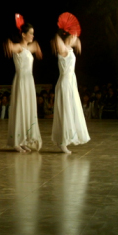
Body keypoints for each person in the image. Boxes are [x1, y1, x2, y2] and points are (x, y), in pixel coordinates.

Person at [50, 16, 90, 153]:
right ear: (69, 36)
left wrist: (76, 41)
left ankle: (65, 139)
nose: (76, 38)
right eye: (74, 36)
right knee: (65, 111)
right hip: (65, 83)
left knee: (70, 110)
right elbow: (57, 38)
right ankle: (63, 141)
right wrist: (63, 29)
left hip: (71, 82)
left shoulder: (68, 48)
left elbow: (74, 41)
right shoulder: (63, 49)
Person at [4, 15, 43, 153]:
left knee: (28, 108)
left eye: (33, 33)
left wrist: (37, 48)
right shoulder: (19, 47)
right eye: (30, 33)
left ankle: (24, 140)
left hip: (29, 81)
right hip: (21, 80)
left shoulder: (27, 48)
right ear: (23, 34)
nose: (33, 35)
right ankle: (16, 141)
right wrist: (8, 43)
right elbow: (10, 46)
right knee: (20, 108)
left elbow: (34, 46)